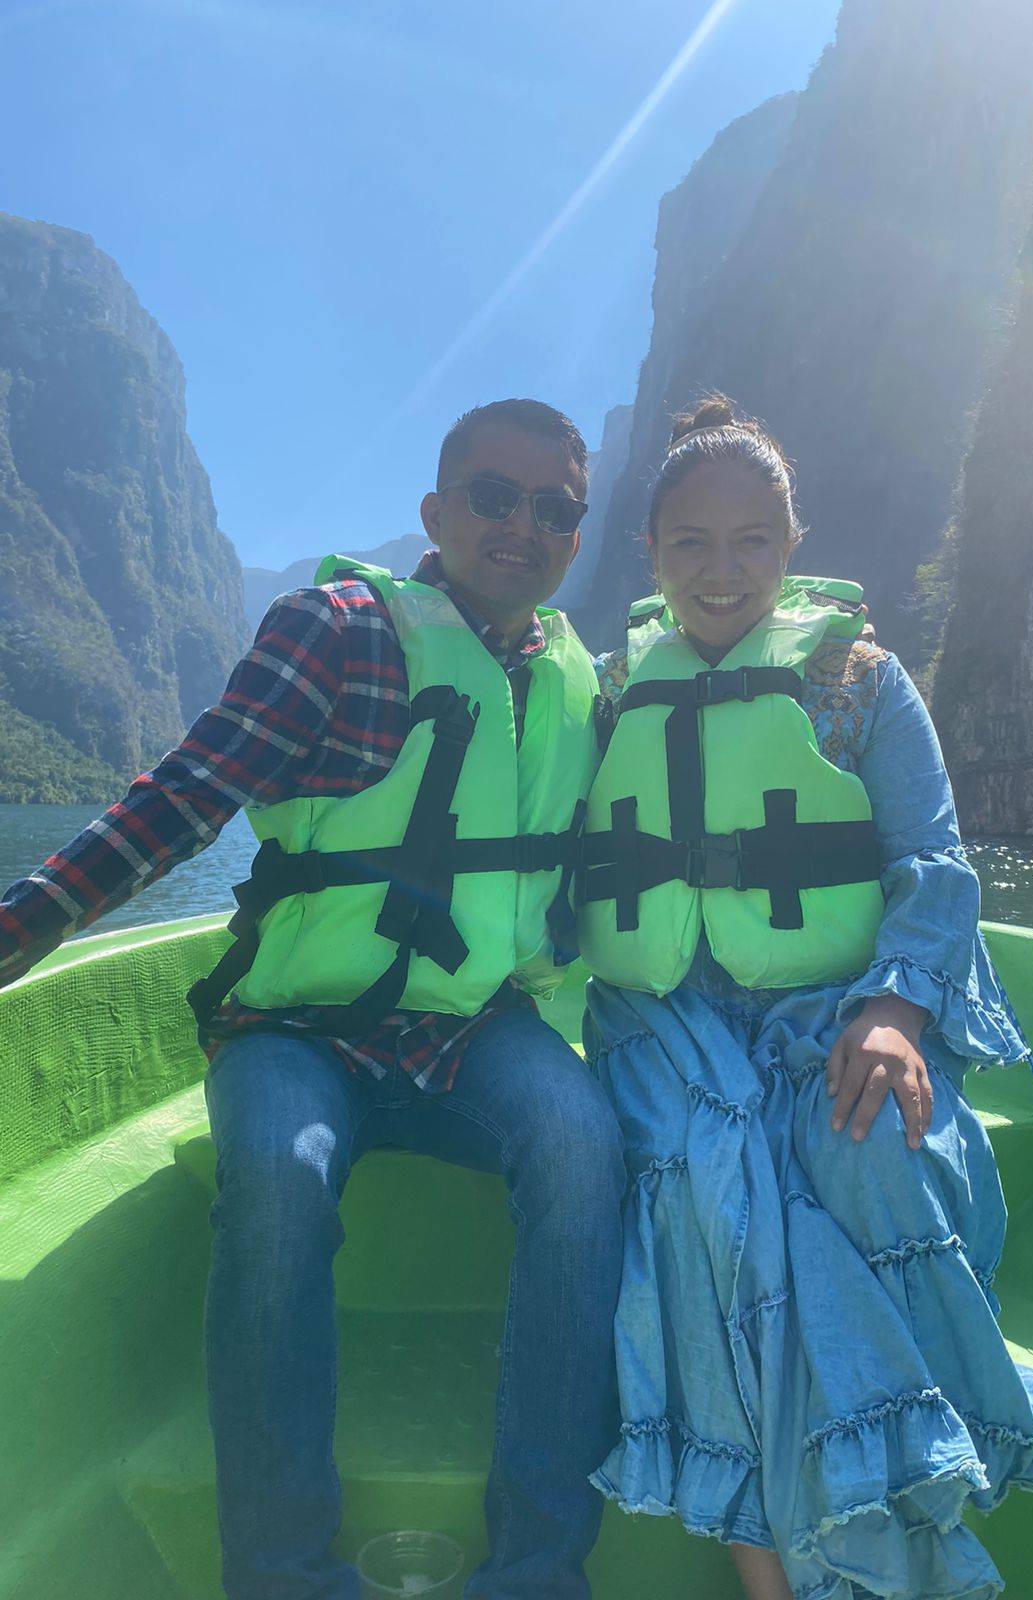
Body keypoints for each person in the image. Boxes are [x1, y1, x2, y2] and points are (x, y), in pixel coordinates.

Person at [0, 398, 625, 1600]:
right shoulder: (338, 631)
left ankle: (538, 1570)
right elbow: (187, 795)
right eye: (495, 497)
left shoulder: (578, 680)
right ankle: (283, 1573)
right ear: (436, 512)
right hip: (295, 1030)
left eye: (556, 509)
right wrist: (19, 928)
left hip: (474, 1027)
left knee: (586, 1146)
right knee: (281, 1179)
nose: (524, 526)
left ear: (576, 534)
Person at [575, 395, 1033, 1600]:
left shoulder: (859, 681)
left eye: (753, 540)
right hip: (667, 1024)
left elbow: (934, 863)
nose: (722, 570)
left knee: (870, 1151)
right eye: (691, 542)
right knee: (704, 1196)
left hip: (837, 1005)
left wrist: (897, 1010)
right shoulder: (613, 694)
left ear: (794, 540)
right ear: (650, 551)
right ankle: (776, 1581)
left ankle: (890, 1515)